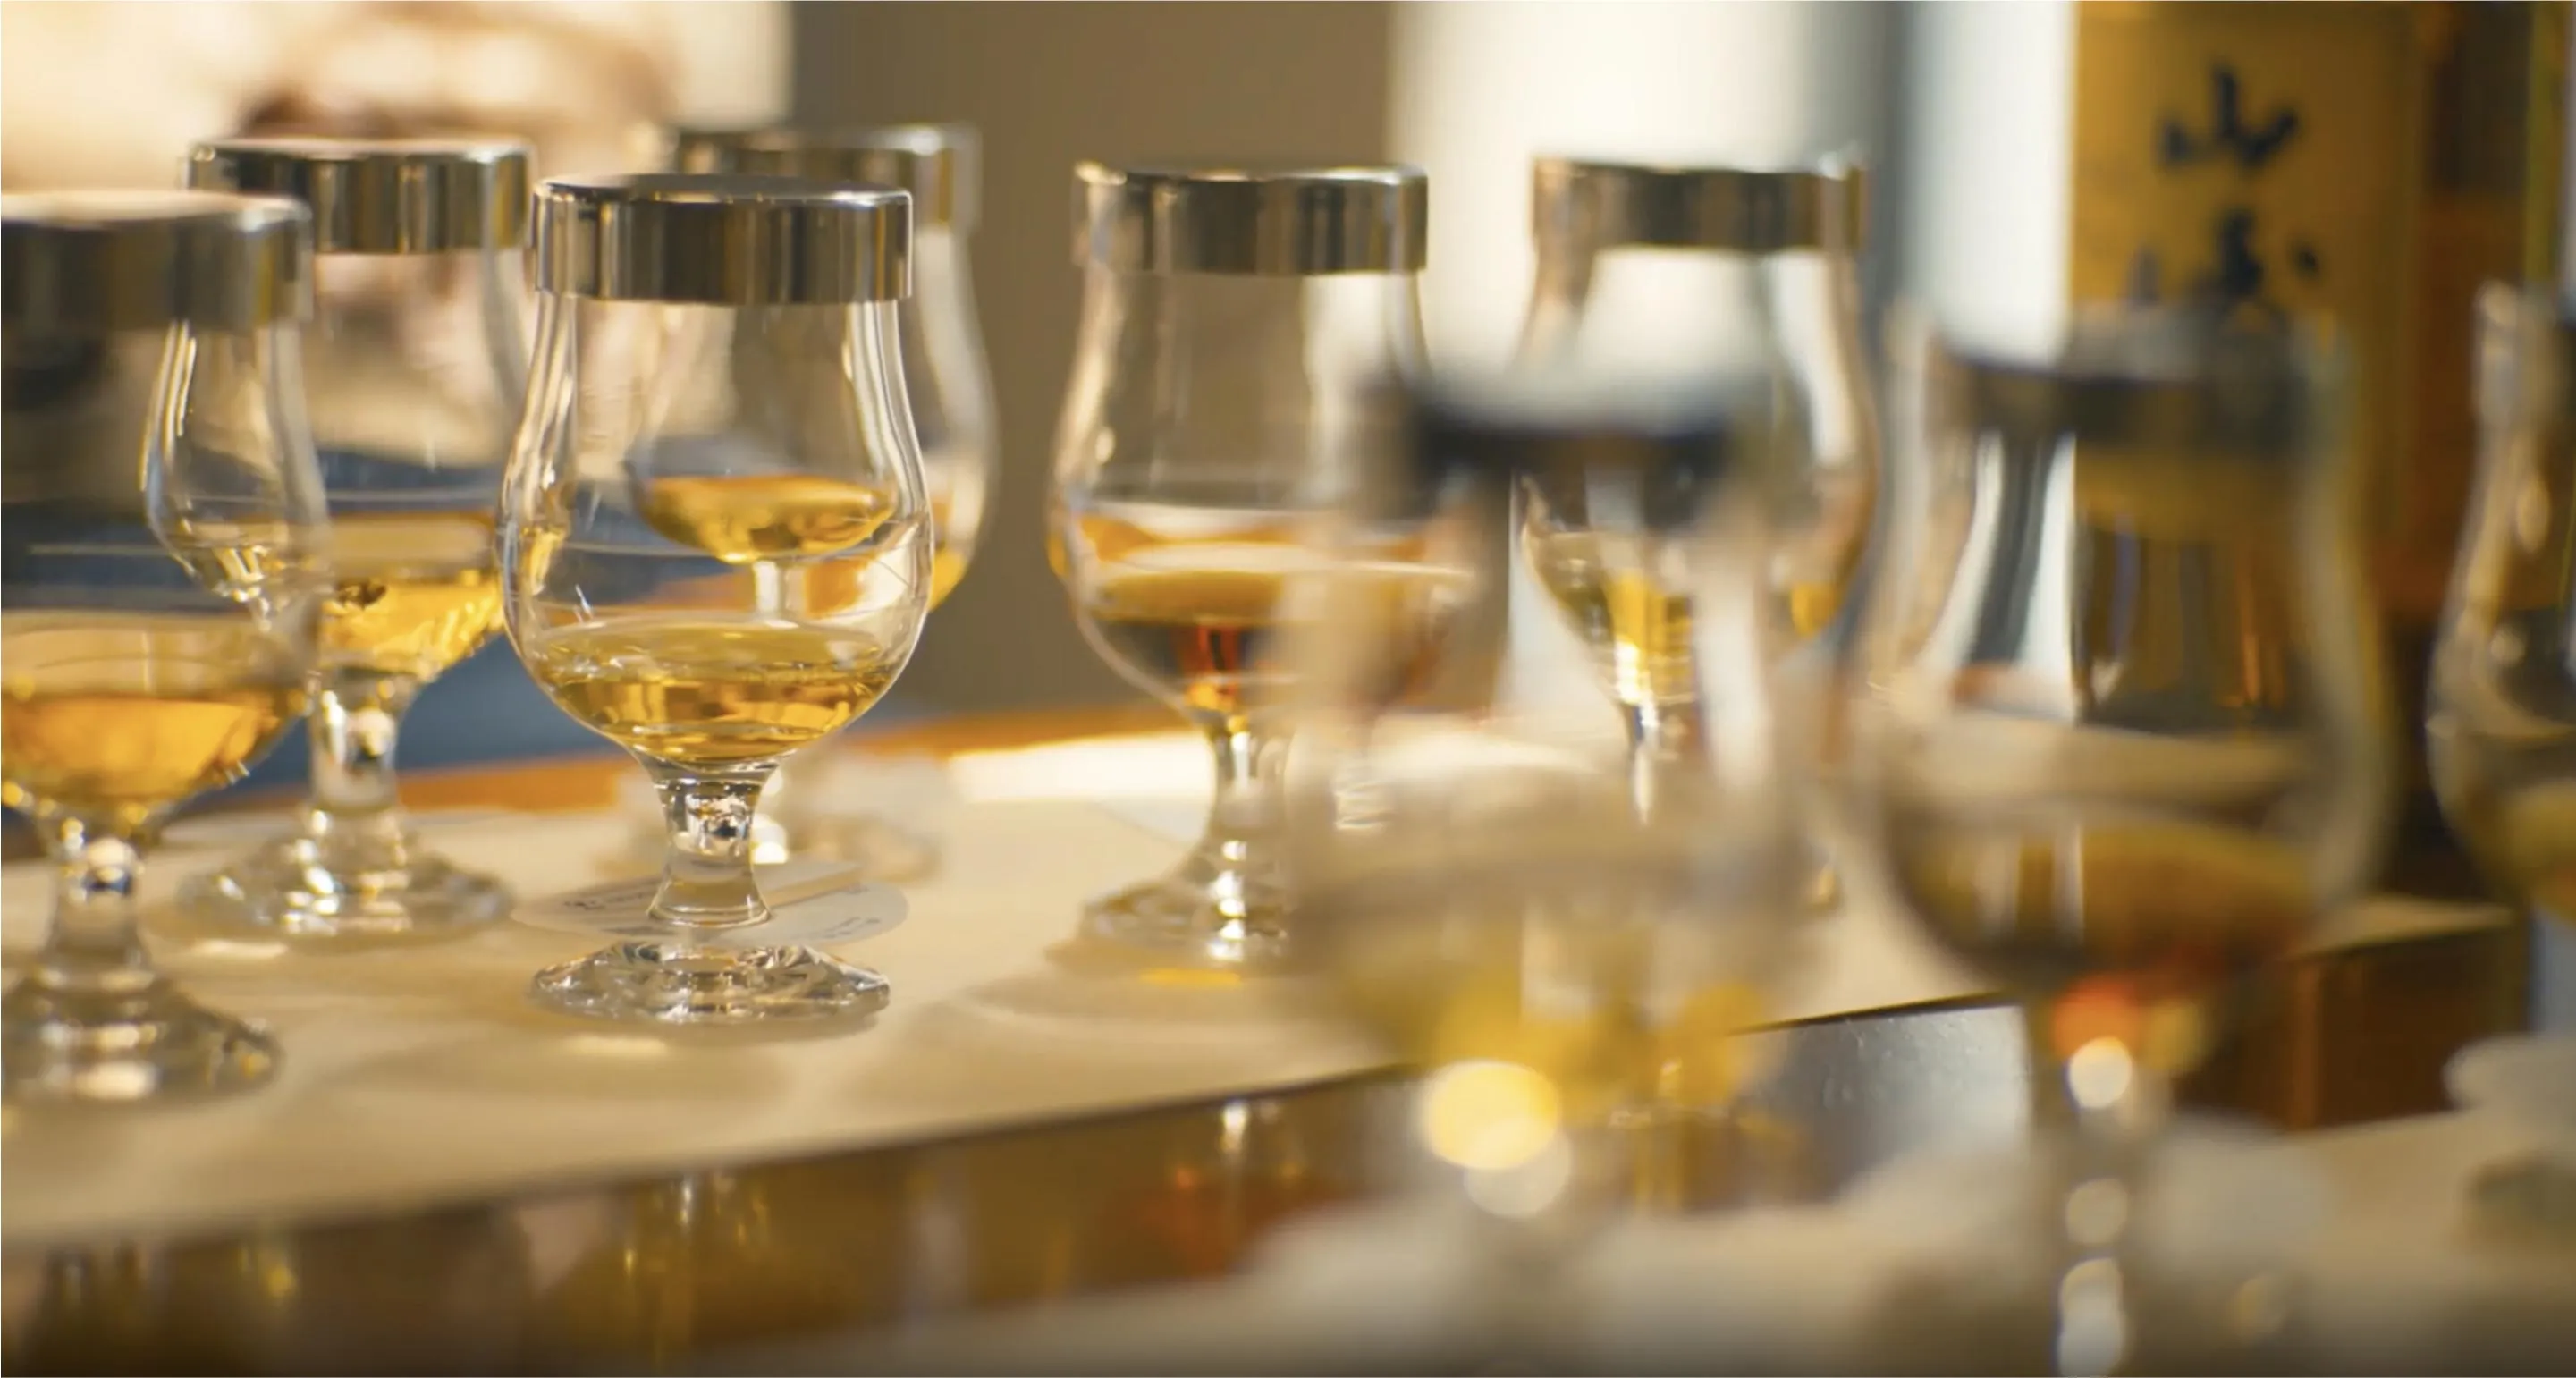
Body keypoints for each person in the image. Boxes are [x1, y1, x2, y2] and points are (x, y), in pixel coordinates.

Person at [1, 0, 793, 783]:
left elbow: (694, 69)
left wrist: (522, 80)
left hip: (594, 493)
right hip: (129, 524)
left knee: (763, 727)